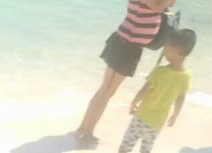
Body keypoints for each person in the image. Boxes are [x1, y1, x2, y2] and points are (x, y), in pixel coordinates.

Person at [75, 0, 176, 143]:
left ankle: (83, 128)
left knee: (106, 91)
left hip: (128, 46)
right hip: (126, 46)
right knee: (106, 91)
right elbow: (159, 7)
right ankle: (87, 132)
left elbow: (169, 4)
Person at [110, 28, 195, 153]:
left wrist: (133, 103)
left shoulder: (159, 71)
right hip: (158, 121)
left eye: (166, 47)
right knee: (147, 147)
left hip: (142, 115)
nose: (164, 50)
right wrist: (175, 115)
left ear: (173, 49)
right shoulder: (186, 76)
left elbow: (145, 90)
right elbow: (181, 98)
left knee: (128, 142)